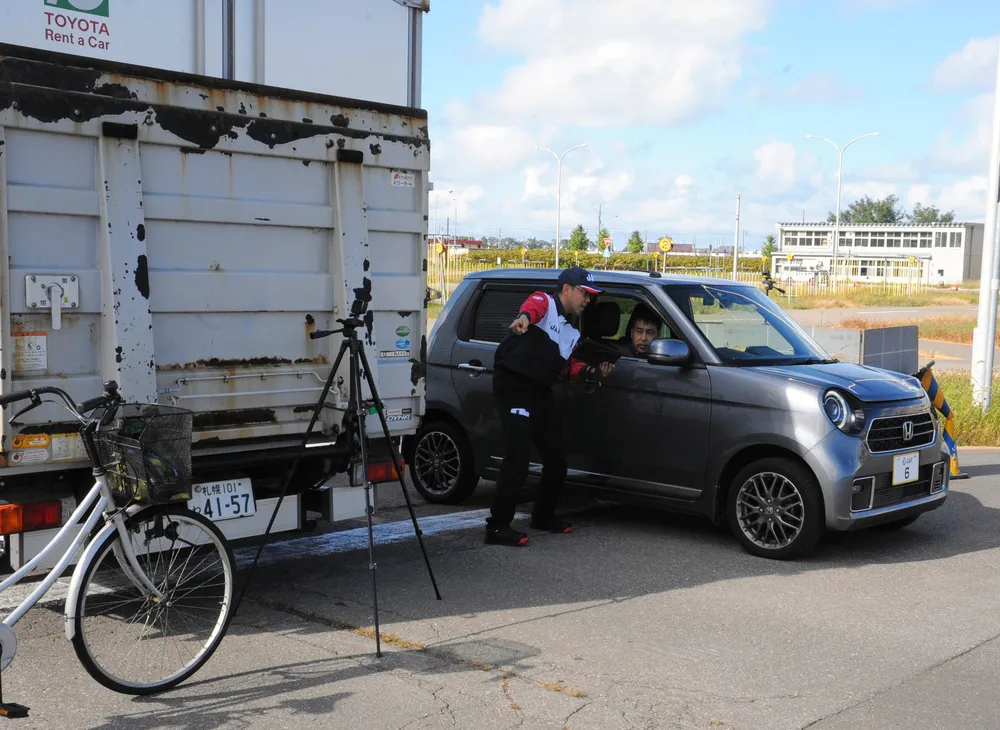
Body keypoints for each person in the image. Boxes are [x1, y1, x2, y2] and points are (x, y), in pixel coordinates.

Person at [486, 266, 615, 547]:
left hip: (539, 390)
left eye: (591, 296)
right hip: (514, 385)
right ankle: (497, 527)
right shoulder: (543, 302)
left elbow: (568, 367)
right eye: (585, 293)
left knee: (556, 458)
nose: (588, 300)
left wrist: (592, 372)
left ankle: (543, 516)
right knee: (518, 457)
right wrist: (523, 319)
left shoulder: (570, 333)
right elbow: (531, 309)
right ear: (566, 289)